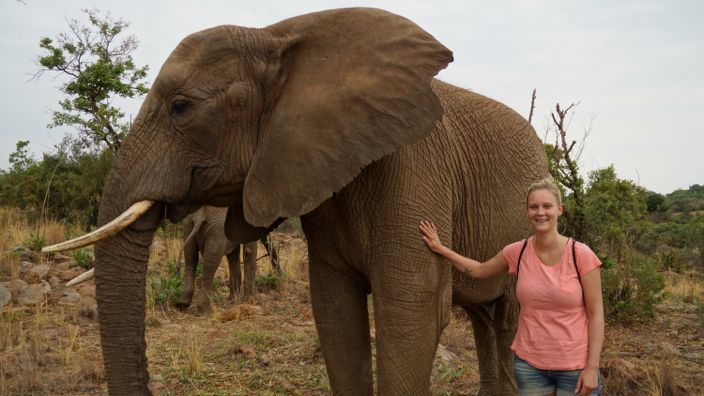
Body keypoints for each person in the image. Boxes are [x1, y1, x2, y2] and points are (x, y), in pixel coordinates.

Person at [420, 178, 604, 396]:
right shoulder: (518, 252)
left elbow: (596, 315)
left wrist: (592, 367)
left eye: (547, 206)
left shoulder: (581, 255)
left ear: (560, 209)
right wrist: (441, 249)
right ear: (527, 212)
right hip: (530, 365)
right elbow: (479, 270)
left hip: (574, 365)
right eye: (534, 207)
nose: (540, 212)